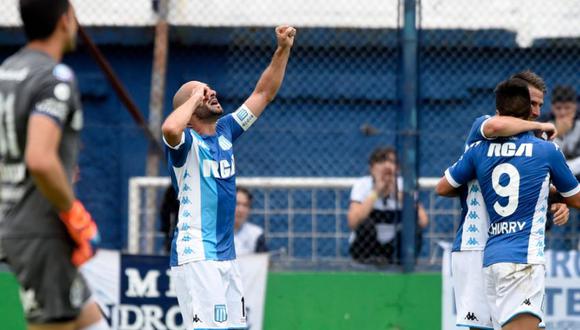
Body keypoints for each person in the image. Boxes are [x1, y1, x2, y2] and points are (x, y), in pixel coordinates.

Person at [161, 25, 295, 330]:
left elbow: (263, 93)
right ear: (191, 108)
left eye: (208, 90)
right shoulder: (186, 145)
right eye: (203, 93)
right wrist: (193, 96)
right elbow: (170, 129)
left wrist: (283, 49)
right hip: (197, 254)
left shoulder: (226, 131)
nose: (211, 94)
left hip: (225, 254)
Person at [437, 78, 580, 330]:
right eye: (532, 104)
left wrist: (552, 197)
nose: (536, 111)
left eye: (540, 106)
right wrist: (543, 125)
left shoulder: (483, 151)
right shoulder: (484, 127)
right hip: (479, 245)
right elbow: (497, 125)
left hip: (494, 248)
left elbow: (446, 186)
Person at [0, 1, 107, 329]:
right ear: (65, 20)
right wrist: (75, 216)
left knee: (91, 320)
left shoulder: (7, 71)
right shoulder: (55, 78)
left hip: (19, 221)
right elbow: (40, 159)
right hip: (42, 229)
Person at [347, 147, 429, 265]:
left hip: (393, 248)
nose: (386, 165)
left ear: (398, 169)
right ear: (372, 168)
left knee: (413, 229)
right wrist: (376, 193)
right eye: (381, 161)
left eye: (392, 162)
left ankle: (404, 265)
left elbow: (423, 221)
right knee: (365, 224)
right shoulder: (362, 185)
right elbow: (353, 222)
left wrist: (398, 195)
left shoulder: (404, 186)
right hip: (366, 248)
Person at [546, 85, 580, 177]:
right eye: (558, 108)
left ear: (575, 107)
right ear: (552, 107)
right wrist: (558, 134)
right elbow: (545, 156)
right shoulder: (545, 124)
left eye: (567, 107)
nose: (563, 112)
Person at [234, 187, 268, 255]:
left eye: (245, 205)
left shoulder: (256, 234)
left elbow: (263, 262)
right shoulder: (213, 233)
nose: (241, 210)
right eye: (237, 204)